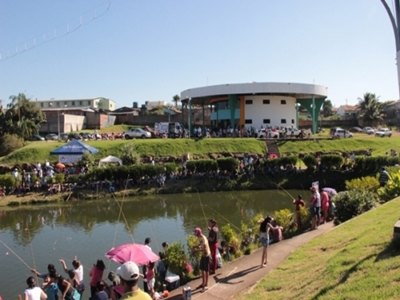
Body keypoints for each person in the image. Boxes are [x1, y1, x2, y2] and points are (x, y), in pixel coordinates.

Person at [194, 227, 211, 292]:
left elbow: (204, 249)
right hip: (203, 255)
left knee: (206, 270)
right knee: (202, 269)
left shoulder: (204, 239)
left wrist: (196, 250)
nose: (195, 235)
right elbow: (200, 244)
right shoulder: (200, 237)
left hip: (206, 255)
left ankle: (206, 284)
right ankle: (203, 283)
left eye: (196, 234)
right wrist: (196, 246)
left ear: (198, 233)